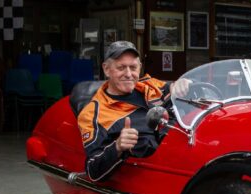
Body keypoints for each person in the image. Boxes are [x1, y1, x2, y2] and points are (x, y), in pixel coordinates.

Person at [77, 41, 189, 181]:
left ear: (140, 67)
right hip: (156, 175)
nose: (129, 74)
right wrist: (117, 147)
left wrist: (182, 84)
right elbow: (92, 171)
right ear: (106, 69)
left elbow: (177, 90)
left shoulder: (151, 85)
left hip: (188, 151)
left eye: (133, 67)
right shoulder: (92, 114)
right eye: (121, 68)